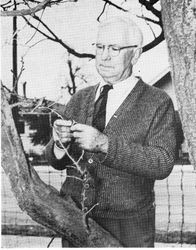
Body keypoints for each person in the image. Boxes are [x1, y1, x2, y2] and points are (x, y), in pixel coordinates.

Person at [45, 16, 177, 247]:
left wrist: (105, 145)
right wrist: (58, 144)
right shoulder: (80, 98)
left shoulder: (158, 102)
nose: (104, 56)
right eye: (100, 47)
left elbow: (162, 162)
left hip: (128, 226)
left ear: (135, 54)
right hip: (76, 219)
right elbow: (57, 162)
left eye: (115, 48)